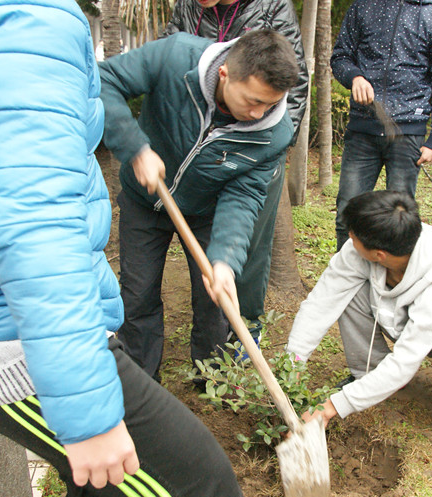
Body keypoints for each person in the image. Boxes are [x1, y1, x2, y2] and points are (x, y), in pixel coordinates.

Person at [0, 1, 252, 497]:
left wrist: (224, 256)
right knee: (204, 496)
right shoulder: (24, 12)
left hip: (8, 316)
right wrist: (90, 414)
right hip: (8, 336)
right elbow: (34, 215)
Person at [99, 29, 298, 379]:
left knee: (213, 300)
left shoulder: (274, 132)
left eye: (270, 104)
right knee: (138, 293)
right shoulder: (176, 58)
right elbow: (103, 80)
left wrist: (225, 260)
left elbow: (244, 196)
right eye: (252, 100)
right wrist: (136, 148)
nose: (259, 113)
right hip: (144, 200)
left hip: (207, 209)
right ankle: (143, 380)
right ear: (225, 73)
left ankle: (212, 378)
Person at [285, 191, 432, 453]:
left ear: (379, 255)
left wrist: (331, 407)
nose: (349, 237)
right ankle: (371, 373)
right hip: (400, 316)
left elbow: (407, 358)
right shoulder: (368, 245)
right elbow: (321, 302)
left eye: (353, 235)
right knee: (348, 294)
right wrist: (293, 361)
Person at [163, 0, 309, 352]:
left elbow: (293, 82)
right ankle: (215, 332)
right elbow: (169, 56)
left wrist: (264, 140)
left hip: (252, 145)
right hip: (202, 142)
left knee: (248, 242)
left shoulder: (271, 6)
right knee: (209, 242)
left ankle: (246, 325)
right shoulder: (188, 6)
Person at [330, 0, 432, 250]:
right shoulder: (362, 8)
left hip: (408, 134)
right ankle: (346, 275)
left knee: (400, 221)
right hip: (362, 131)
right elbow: (341, 57)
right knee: (347, 215)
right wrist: (355, 77)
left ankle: (394, 275)